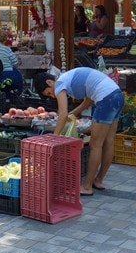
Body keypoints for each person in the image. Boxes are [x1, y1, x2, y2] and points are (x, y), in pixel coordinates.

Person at [34, 68, 124, 196]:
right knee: (108, 142)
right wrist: (73, 113)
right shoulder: (68, 78)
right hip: (117, 96)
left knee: (95, 145)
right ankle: (98, 180)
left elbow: (62, 113)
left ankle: (87, 186)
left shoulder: (59, 84)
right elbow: (88, 100)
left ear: (49, 82)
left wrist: (54, 137)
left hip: (106, 99)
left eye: (49, 93)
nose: (53, 96)